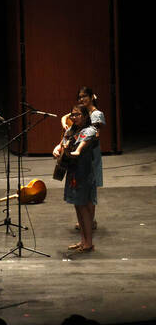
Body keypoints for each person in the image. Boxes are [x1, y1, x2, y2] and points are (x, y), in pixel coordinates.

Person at [54, 105, 98, 252]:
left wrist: (78, 150)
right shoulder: (71, 130)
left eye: (77, 114)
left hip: (84, 173)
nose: (74, 117)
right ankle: (83, 240)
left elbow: (84, 142)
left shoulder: (90, 130)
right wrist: (57, 149)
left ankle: (89, 243)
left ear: (85, 116)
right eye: (72, 115)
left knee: (84, 206)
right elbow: (62, 144)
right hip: (73, 172)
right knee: (77, 206)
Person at [62, 87, 104, 232]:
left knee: (90, 187)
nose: (81, 99)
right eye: (79, 97)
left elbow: (95, 133)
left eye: (84, 96)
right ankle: (84, 221)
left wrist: (81, 136)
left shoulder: (96, 114)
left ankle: (90, 221)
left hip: (90, 152)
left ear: (92, 97)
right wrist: (68, 126)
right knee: (80, 188)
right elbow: (65, 118)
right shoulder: (80, 112)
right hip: (80, 153)